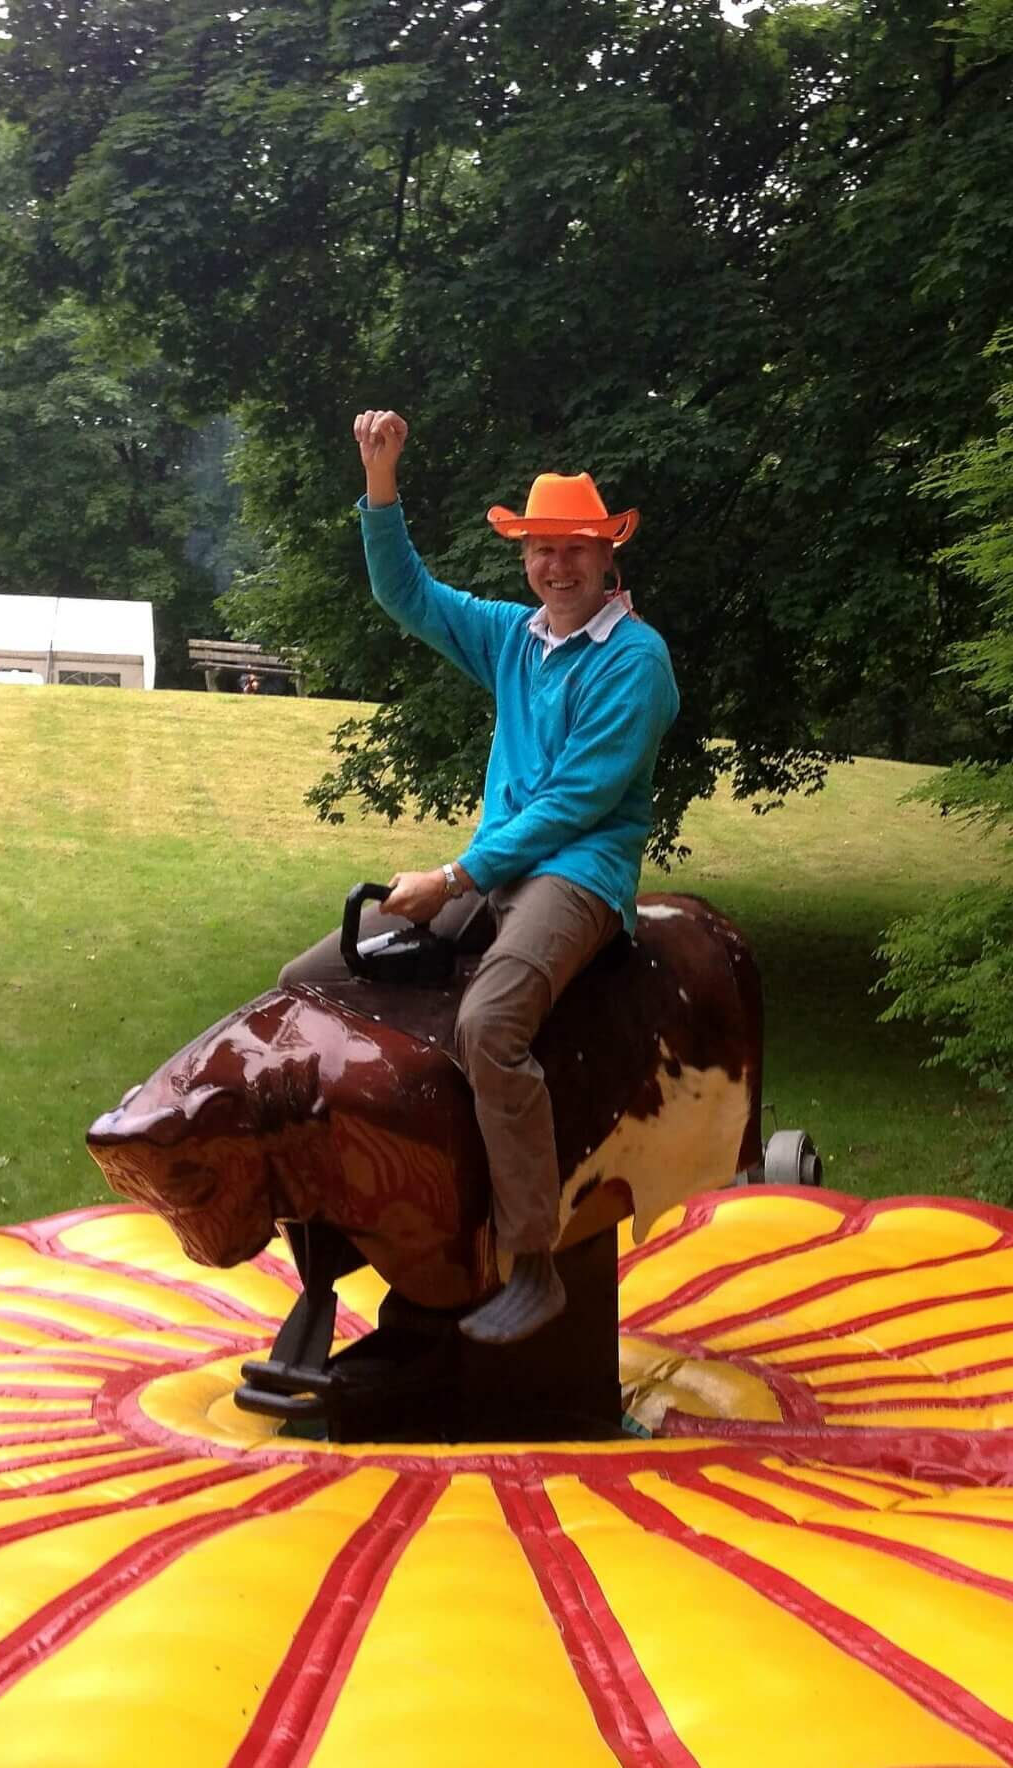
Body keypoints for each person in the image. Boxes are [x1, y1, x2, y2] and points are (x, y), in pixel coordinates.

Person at [274, 408, 680, 1344]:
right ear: (526, 558)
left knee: (491, 1023)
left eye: (575, 548)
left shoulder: (637, 661)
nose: (556, 565)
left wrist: (457, 875)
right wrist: (381, 481)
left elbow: (577, 802)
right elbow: (406, 594)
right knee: (312, 984)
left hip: (577, 872)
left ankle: (532, 1260)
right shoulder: (512, 637)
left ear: (605, 554)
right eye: (541, 549)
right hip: (497, 865)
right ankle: (364, 1219)